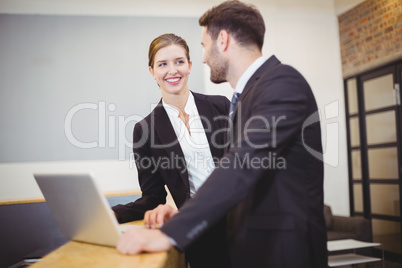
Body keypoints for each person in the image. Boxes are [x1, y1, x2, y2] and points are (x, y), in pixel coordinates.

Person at [116, 1, 328, 268]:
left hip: (282, 250)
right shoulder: (249, 95)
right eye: (163, 64)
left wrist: (172, 232)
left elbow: (240, 166)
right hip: (239, 242)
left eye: (204, 46)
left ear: (223, 40)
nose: (203, 58)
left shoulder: (281, 83)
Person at [112, 33, 230, 267]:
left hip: (244, 223)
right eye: (162, 64)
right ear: (152, 71)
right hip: (200, 233)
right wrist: (112, 215)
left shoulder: (221, 107)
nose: (172, 71)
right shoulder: (145, 130)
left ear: (190, 66)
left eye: (179, 62)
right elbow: (152, 197)